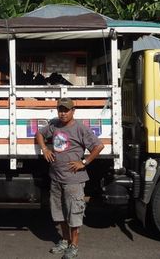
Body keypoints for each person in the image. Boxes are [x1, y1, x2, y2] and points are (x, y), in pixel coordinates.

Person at [36, 97, 104, 259]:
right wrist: (44, 148)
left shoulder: (80, 128)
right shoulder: (54, 125)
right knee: (59, 213)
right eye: (60, 110)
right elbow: (39, 133)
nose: (63, 113)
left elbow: (98, 146)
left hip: (73, 180)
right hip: (56, 177)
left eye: (66, 110)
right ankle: (65, 241)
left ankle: (74, 245)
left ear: (73, 111)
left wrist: (84, 162)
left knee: (74, 213)